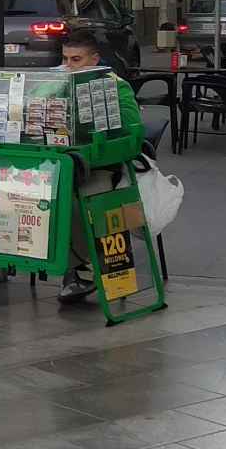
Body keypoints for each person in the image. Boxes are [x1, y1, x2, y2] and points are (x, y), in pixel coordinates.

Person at [56, 33, 146, 303]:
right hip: (64, 163)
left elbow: (133, 134)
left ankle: (81, 270)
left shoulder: (116, 87)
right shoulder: (58, 82)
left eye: (76, 59)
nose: (69, 65)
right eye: (65, 59)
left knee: (74, 205)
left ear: (94, 59)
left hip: (103, 166)